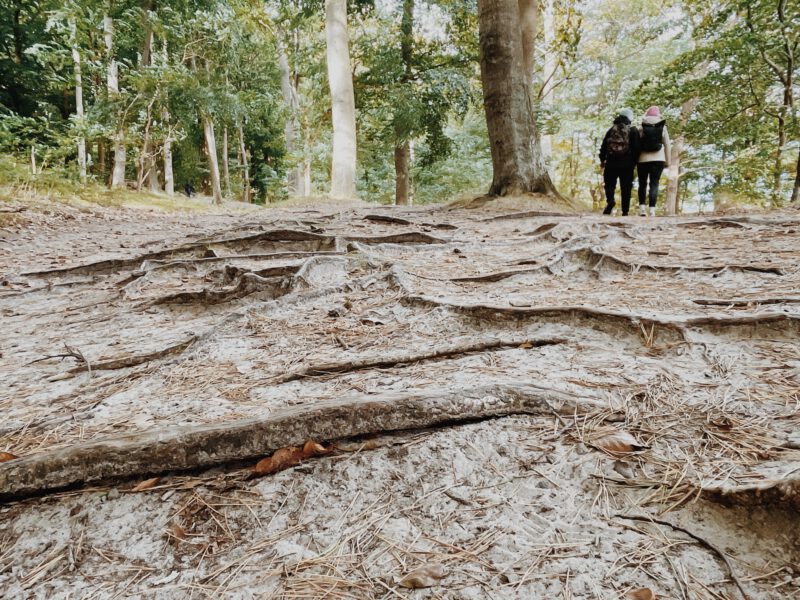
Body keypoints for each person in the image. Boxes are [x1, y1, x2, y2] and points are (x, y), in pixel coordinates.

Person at [599, 108, 640, 216]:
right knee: (626, 187)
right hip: (627, 164)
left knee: (609, 185)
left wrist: (602, 160)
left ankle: (610, 202)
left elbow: (604, 146)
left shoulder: (611, 130)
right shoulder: (633, 130)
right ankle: (625, 211)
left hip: (611, 162)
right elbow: (636, 148)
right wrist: (634, 162)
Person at [637, 106, 671, 217]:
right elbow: (667, 145)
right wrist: (668, 162)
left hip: (642, 159)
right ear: (658, 115)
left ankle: (642, 209)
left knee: (642, 183)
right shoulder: (662, 127)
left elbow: (636, 145)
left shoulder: (641, 127)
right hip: (658, 159)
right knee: (654, 184)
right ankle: (652, 210)